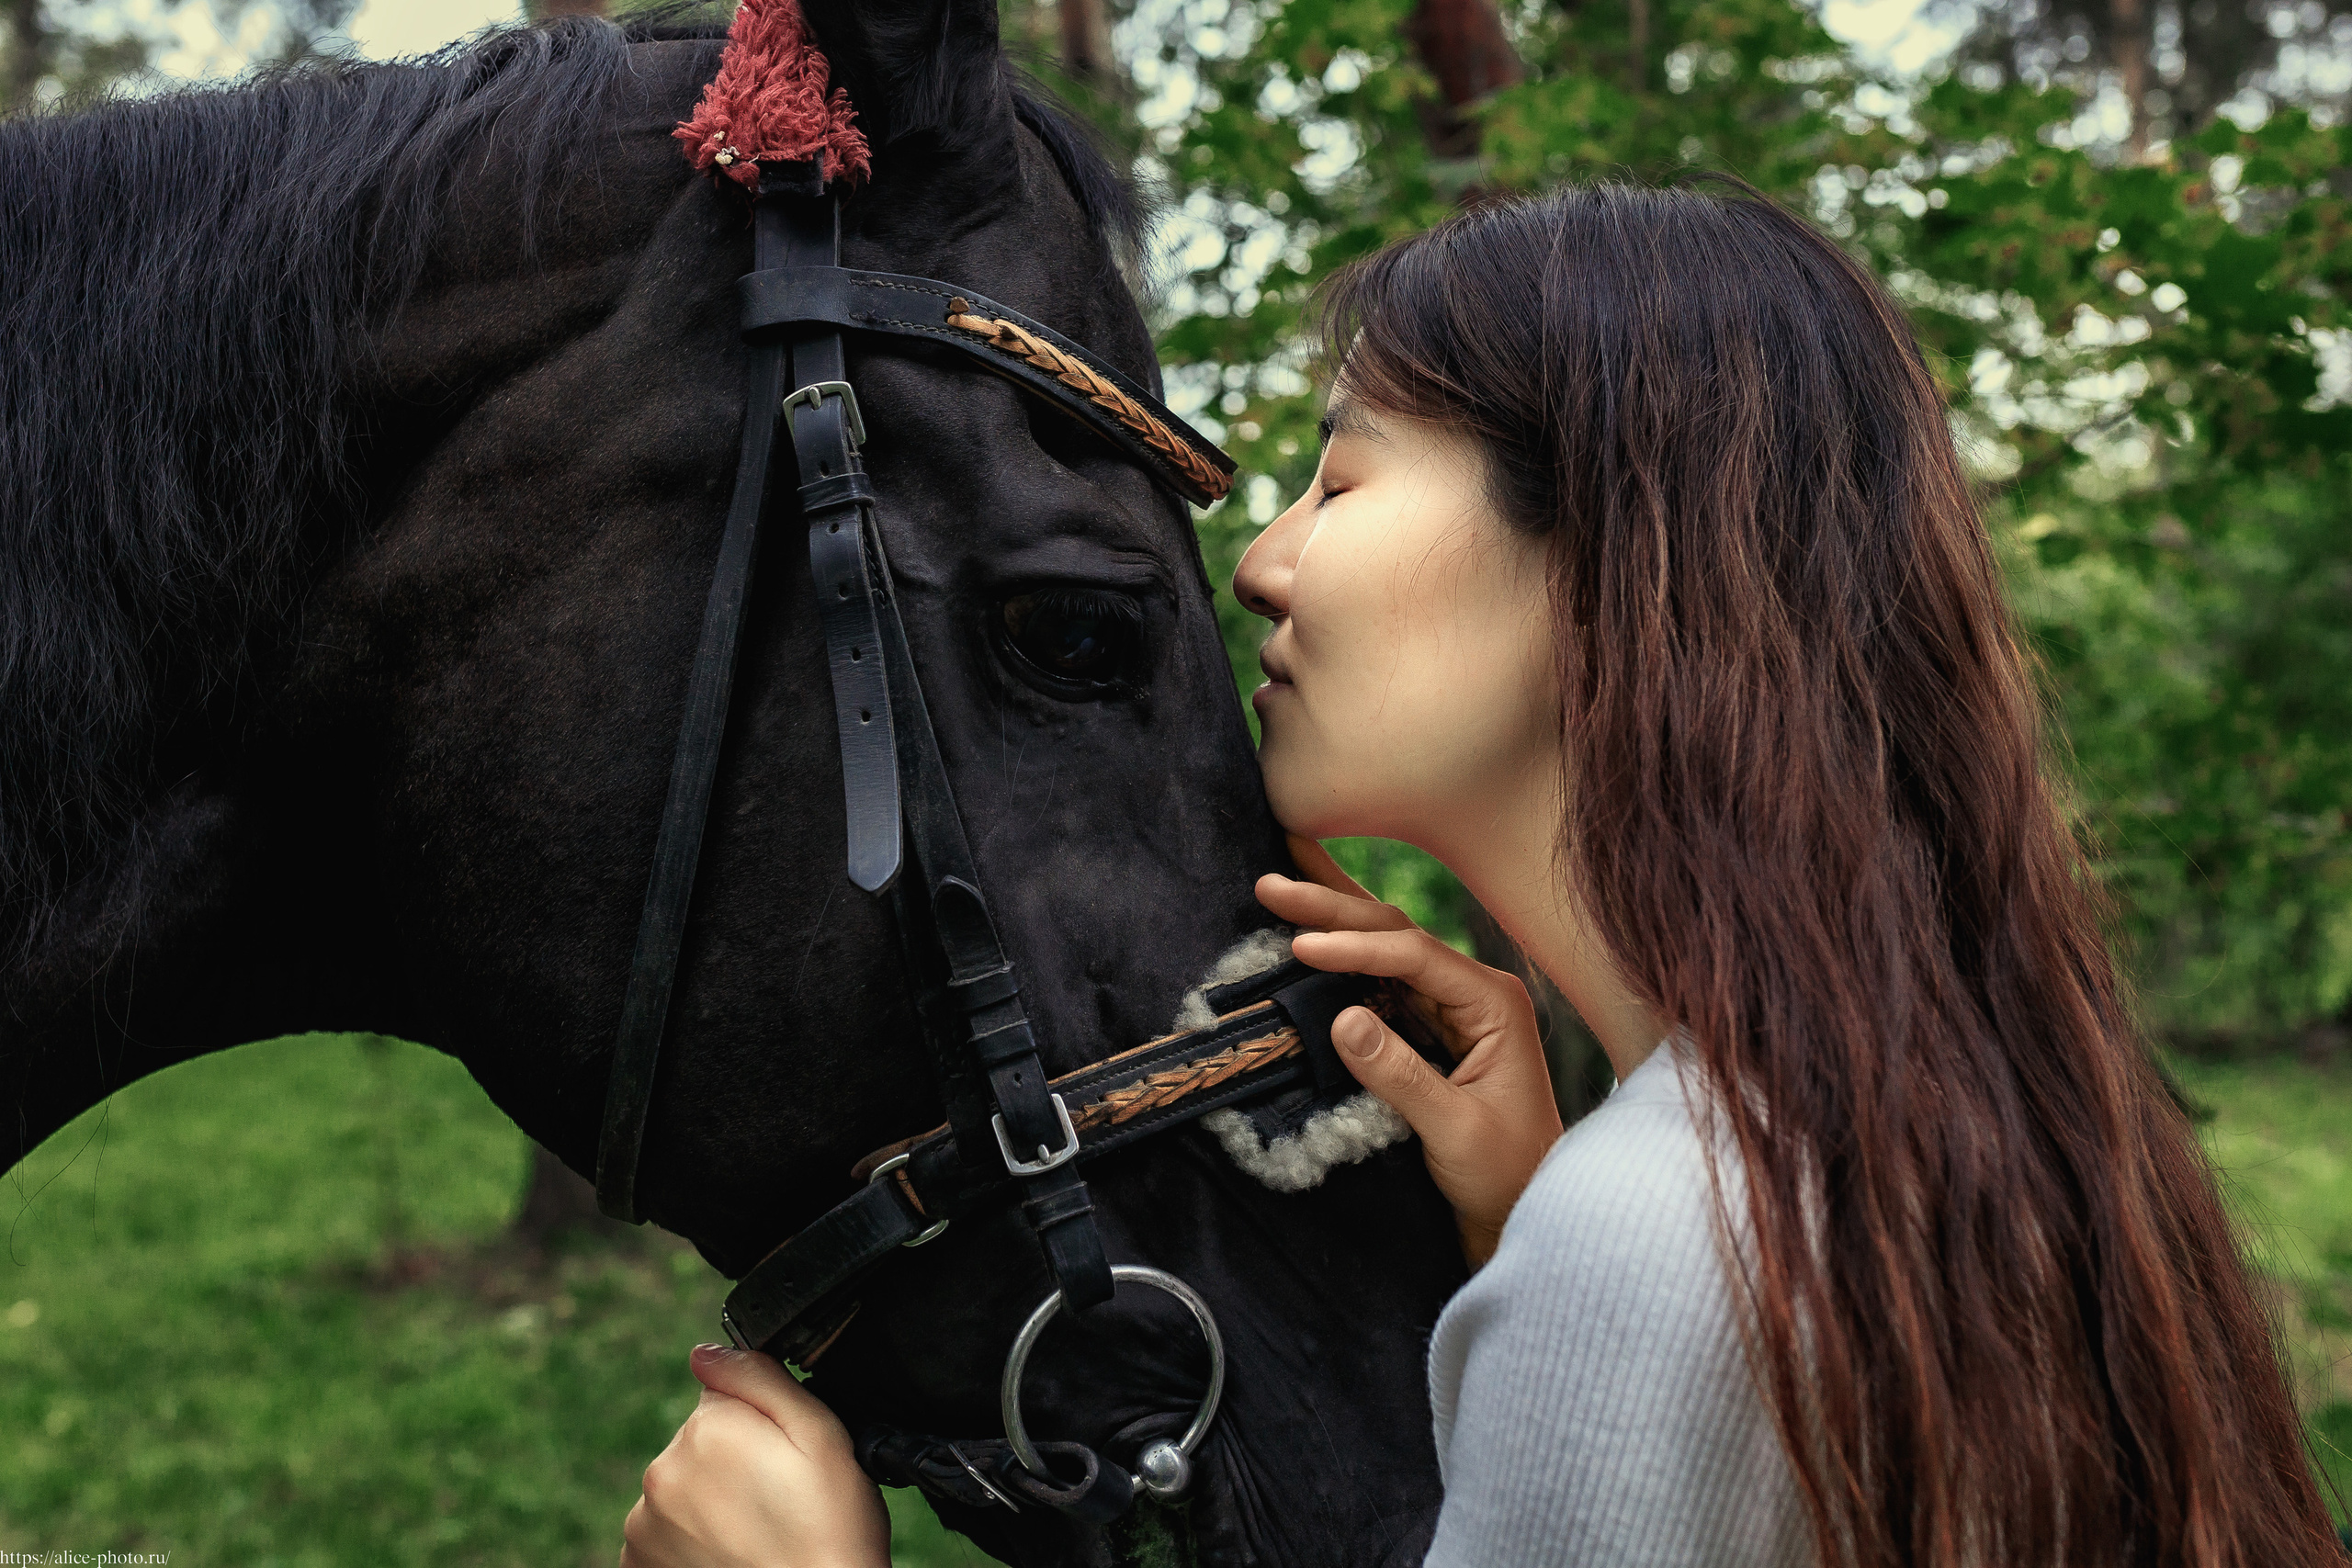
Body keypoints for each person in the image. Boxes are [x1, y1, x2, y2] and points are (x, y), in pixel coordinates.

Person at [617, 180, 2345, 1568]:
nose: (1269, 563)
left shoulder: (1662, 1236)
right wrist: (1526, 1230)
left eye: (1341, 474)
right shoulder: (1921, 1144)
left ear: (1603, 559)